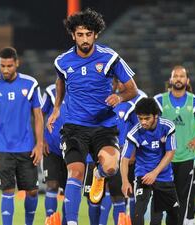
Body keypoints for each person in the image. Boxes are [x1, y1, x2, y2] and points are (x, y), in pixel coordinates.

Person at [46, 9, 138, 225]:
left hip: (104, 127)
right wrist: (57, 107)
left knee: (111, 168)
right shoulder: (62, 61)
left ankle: (98, 176)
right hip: (75, 127)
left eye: (89, 34)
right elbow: (60, 80)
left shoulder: (110, 57)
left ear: (96, 34)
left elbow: (132, 89)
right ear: (73, 35)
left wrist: (119, 97)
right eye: (80, 34)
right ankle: (72, 222)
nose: (84, 39)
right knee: (75, 173)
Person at [0, 47, 43, 225]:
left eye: (9, 66)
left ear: (17, 63)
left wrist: (39, 144)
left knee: (33, 191)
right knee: (8, 191)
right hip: (2, 148)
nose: (5, 70)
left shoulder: (30, 84)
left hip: (26, 148)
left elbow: (38, 116)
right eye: (2, 65)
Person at [153, 65, 195, 225]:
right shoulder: (159, 100)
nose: (178, 79)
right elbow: (148, 119)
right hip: (165, 159)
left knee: (181, 199)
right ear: (170, 80)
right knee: (161, 197)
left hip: (186, 158)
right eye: (175, 76)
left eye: (182, 76)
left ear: (187, 80)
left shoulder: (194, 101)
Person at [121, 97, 180, 225]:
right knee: (137, 213)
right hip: (143, 174)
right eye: (140, 118)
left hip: (163, 175)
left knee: (158, 218)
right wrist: (125, 181)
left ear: (155, 116)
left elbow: (170, 153)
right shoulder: (134, 133)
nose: (143, 122)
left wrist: (155, 173)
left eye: (147, 118)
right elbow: (124, 159)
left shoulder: (167, 127)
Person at [41, 83, 68, 223]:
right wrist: (42, 140)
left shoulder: (80, 89)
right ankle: (49, 220)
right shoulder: (51, 91)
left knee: (68, 188)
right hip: (51, 147)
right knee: (52, 185)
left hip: (72, 148)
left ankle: (66, 221)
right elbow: (39, 113)